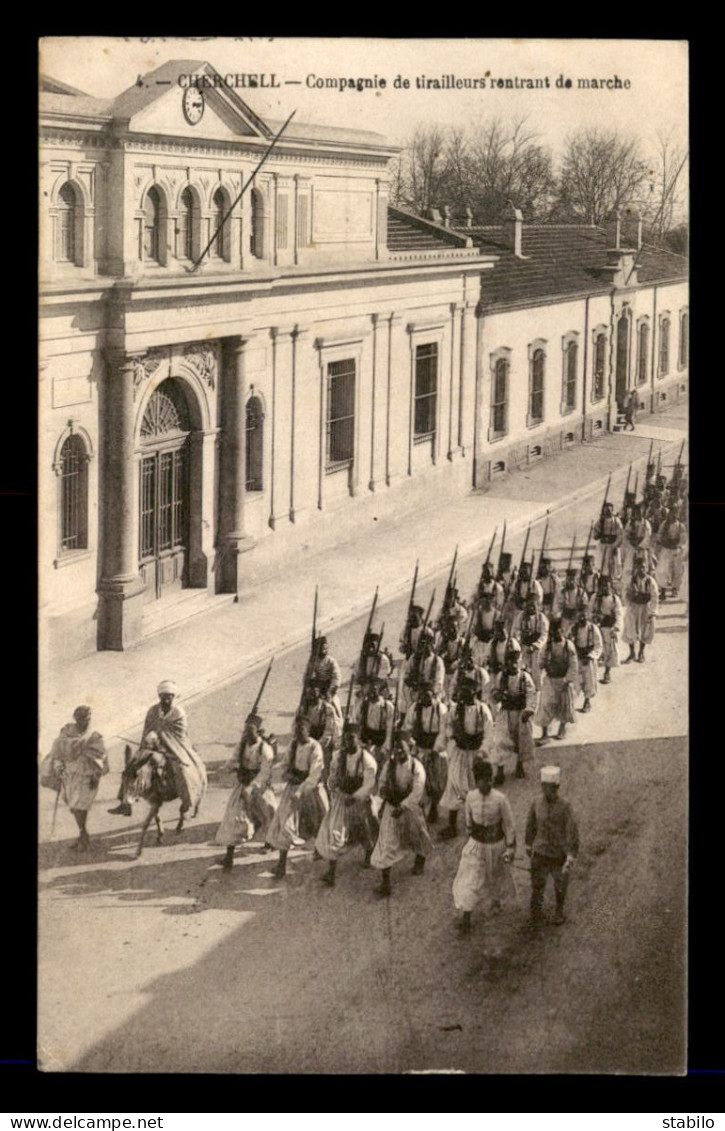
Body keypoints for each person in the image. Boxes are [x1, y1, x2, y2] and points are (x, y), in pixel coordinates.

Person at [109, 681, 207, 819]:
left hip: (175, 747)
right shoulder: (152, 711)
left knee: (182, 769)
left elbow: (179, 734)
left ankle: (187, 800)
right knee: (131, 768)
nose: (165, 700)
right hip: (153, 746)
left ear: (173, 697)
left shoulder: (178, 713)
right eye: (162, 696)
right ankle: (125, 803)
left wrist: (162, 737)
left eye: (168, 696)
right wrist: (151, 741)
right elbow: (148, 729)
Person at [452, 760, 517, 935]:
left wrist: (510, 848)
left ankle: (495, 901)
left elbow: (509, 825)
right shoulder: (471, 798)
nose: (486, 783)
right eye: (482, 780)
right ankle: (466, 918)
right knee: (470, 881)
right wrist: (472, 836)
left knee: (495, 877)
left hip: (496, 846)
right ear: (477, 781)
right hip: (476, 846)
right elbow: (469, 822)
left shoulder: (500, 799)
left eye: (489, 780)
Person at [265, 715, 329, 879]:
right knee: (285, 824)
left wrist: (301, 790)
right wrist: (284, 774)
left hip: (310, 791)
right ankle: (281, 865)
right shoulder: (293, 745)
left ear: (308, 731)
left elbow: (315, 773)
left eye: (302, 731)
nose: (298, 734)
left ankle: (323, 855)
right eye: (296, 730)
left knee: (319, 823)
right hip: (293, 791)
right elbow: (285, 764)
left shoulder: (315, 747)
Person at [316, 721, 379, 885]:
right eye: (346, 739)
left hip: (360, 801)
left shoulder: (368, 760)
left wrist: (356, 797)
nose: (348, 742)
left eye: (351, 739)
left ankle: (369, 851)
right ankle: (331, 871)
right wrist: (332, 785)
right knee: (335, 833)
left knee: (364, 830)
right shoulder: (338, 756)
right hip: (343, 799)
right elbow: (333, 775)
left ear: (358, 739)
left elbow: (369, 784)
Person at [370, 735, 433, 897]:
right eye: (396, 748)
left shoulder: (416, 767)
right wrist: (384, 792)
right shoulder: (389, 765)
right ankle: (386, 883)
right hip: (392, 806)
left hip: (410, 807)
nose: (398, 752)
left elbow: (418, 790)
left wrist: (403, 806)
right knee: (387, 842)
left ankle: (420, 859)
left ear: (409, 749)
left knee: (417, 835)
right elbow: (382, 782)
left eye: (402, 749)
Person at [215, 713, 276, 870]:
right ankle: (229, 857)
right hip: (243, 785)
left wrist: (253, 786)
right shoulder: (241, 745)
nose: (247, 734)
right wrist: (227, 768)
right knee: (233, 818)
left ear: (259, 732)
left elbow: (265, 772)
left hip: (259, 787)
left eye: (251, 731)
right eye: (245, 731)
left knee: (269, 815)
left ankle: (269, 843)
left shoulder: (265, 749)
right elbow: (233, 759)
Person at [44, 706, 108, 850]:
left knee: (80, 805)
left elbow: (101, 756)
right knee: (73, 806)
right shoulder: (66, 732)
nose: (86, 722)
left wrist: (96, 775)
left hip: (88, 775)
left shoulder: (94, 736)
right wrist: (59, 770)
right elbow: (57, 752)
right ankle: (83, 833)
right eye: (82, 719)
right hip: (69, 774)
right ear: (76, 718)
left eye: (88, 719)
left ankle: (83, 836)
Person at [439, 677, 494, 840]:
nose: (465, 694)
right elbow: (447, 726)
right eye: (462, 690)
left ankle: (479, 823)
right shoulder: (455, 710)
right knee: (454, 786)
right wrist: (452, 738)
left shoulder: (482, 709)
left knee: (476, 788)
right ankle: (452, 825)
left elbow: (489, 732)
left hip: (476, 753)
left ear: (475, 692)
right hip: (460, 752)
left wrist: (482, 752)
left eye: (468, 690)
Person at [525, 765, 580, 925]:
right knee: (537, 884)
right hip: (540, 852)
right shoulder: (536, 802)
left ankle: (559, 910)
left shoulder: (565, 806)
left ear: (556, 787)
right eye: (543, 786)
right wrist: (529, 844)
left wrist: (570, 855)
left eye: (549, 787)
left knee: (560, 884)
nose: (546, 790)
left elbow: (572, 830)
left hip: (558, 854)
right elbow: (531, 824)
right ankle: (536, 912)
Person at [490, 639, 537, 780]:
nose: (513, 664)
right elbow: (493, 693)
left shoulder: (525, 677)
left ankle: (519, 766)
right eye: (510, 661)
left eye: (516, 661)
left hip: (521, 713)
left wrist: (529, 709)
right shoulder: (501, 677)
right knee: (501, 741)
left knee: (522, 740)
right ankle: (500, 770)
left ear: (520, 662)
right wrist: (497, 696)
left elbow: (531, 694)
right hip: (505, 713)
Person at [405, 680, 448, 824]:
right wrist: (413, 744)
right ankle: (422, 810)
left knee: (436, 783)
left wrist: (435, 750)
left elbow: (443, 732)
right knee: (420, 781)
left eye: (428, 696)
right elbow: (408, 728)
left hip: (436, 750)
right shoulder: (414, 708)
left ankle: (434, 807)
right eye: (422, 696)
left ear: (434, 695)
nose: (425, 699)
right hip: (420, 749)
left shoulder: (441, 709)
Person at [535, 623, 578, 743]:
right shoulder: (547, 646)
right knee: (546, 705)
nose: (555, 635)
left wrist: (567, 680)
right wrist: (544, 664)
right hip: (550, 679)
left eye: (557, 632)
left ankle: (562, 729)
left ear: (562, 631)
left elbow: (573, 665)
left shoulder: (568, 646)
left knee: (564, 705)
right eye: (552, 633)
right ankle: (544, 734)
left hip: (563, 679)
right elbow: (540, 661)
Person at [301, 679, 341, 784]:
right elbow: (296, 727)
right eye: (308, 691)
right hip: (306, 746)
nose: (310, 694)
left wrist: (316, 747)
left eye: (313, 691)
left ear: (319, 692)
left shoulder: (327, 709)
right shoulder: (303, 708)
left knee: (324, 778)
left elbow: (328, 732)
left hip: (323, 748)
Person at [622, 552, 659, 663]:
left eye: (643, 567)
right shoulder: (631, 580)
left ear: (646, 568)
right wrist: (629, 599)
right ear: (635, 568)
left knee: (646, 629)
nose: (641, 569)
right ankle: (632, 652)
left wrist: (652, 612)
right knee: (630, 627)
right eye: (639, 567)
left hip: (645, 607)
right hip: (634, 606)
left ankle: (641, 652)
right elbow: (625, 592)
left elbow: (655, 597)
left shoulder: (650, 581)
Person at [589, 575, 624, 684]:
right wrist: (593, 618)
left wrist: (616, 627)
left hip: (609, 627)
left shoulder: (614, 599)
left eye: (607, 586)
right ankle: (593, 674)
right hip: (597, 627)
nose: (605, 589)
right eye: (602, 586)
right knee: (595, 650)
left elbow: (619, 614)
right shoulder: (595, 598)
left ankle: (607, 672)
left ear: (611, 587)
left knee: (609, 651)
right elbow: (589, 612)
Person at [398, 633, 444, 715]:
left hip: (430, 697)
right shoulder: (414, 658)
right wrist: (414, 682)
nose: (424, 646)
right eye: (422, 643)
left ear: (431, 644)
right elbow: (406, 676)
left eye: (426, 643)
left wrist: (427, 690)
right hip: (414, 695)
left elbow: (438, 683)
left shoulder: (437, 661)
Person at [513, 593, 549, 692]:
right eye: (529, 605)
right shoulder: (521, 616)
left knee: (536, 672)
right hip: (524, 646)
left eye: (533, 605)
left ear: (538, 605)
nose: (531, 608)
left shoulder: (542, 618)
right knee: (522, 670)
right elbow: (516, 630)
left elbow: (544, 635)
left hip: (537, 649)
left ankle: (537, 692)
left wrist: (535, 646)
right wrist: (520, 639)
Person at [358, 677, 395, 769]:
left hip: (381, 740)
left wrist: (386, 746)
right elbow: (358, 723)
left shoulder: (387, 706)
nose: (371, 693)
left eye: (373, 690)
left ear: (378, 690)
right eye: (368, 691)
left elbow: (390, 728)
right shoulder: (363, 705)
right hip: (367, 739)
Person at [571, 607, 603, 713]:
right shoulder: (573, 629)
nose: (581, 619)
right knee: (575, 681)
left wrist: (590, 656)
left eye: (583, 616)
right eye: (579, 617)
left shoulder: (593, 629)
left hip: (588, 658)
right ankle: (571, 703)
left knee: (589, 681)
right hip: (577, 657)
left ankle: (587, 701)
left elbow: (598, 645)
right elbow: (569, 643)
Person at [655, 505, 688, 601]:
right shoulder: (664, 524)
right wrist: (664, 541)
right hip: (666, 548)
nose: (673, 515)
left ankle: (675, 589)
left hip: (676, 550)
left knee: (677, 569)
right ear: (669, 514)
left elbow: (683, 539)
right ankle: (663, 590)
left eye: (675, 514)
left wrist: (676, 545)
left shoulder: (680, 525)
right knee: (663, 569)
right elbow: (659, 535)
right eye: (671, 513)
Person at [594, 501, 624, 585]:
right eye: (606, 510)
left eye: (609, 510)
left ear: (612, 510)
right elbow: (595, 534)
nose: (608, 511)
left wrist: (615, 546)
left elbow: (620, 535)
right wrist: (599, 532)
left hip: (612, 545)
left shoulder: (616, 521)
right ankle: (603, 581)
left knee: (613, 565)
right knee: (602, 565)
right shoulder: (600, 521)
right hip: (603, 546)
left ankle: (612, 582)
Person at [621, 502, 653, 580]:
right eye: (635, 512)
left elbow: (647, 536)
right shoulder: (630, 523)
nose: (637, 514)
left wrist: (640, 545)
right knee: (629, 566)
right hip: (632, 547)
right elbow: (626, 535)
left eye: (639, 512)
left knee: (643, 566)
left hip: (641, 548)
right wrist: (631, 544)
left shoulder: (646, 523)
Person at [558, 568, 586, 639]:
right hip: (565, 618)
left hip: (576, 618)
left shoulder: (581, 592)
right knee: (564, 636)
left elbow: (585, 607)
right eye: (569, 579)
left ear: (576, 580)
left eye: (572, 580)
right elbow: (558, 606)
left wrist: (579, 613)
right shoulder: (562, 592)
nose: (571, 582)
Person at [537, 557, 561, 621]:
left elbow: (557, 595)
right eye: (542, 567)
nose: (543, 570)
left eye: (545, 567)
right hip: (541, 608)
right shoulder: (538, 580)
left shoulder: (554, 579)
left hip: (552, 607)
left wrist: (554, 610)